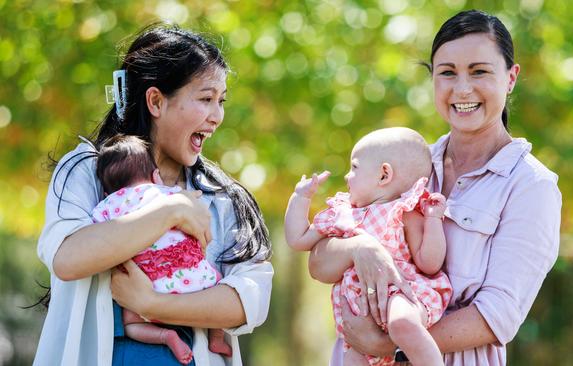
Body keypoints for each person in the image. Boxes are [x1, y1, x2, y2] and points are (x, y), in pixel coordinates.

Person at [308, 10, 562, 366]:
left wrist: (390, 342)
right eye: (447, 73)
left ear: (511, 77)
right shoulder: (403, 166)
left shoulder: (531, 186)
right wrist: (360, 248)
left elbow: (498, 314)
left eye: (479, 71)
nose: (462, 89)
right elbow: (319, 263)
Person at [34, 25, 273, 366]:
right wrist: (170, 210)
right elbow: (68, 258)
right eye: (205, 99)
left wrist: (151, 305)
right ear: (156, 101)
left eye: (220, 101)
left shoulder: (222, 196)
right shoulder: (87, 170)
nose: (217, 116)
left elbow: (248, 301)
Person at [285, 127, 453, 366]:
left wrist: (434, 219)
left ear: (384, 175)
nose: (346, 176)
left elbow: (430, 263)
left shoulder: (405, 214)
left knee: (403, 324)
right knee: (352, 359)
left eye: (354, 167)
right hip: (359, 317)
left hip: (401, 295)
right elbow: (298, 239)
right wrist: (300, 198)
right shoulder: (342, 214)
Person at [92, 134, 233, 364]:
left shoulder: (107, 205)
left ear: (108, 192)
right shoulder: (169, 194)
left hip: (146, 284)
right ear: (155, 176)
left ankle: (166, 336)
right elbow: (194, 206)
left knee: (131, 324)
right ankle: (216, 337)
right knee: (218, 280)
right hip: (194, 279)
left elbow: (98, 232)